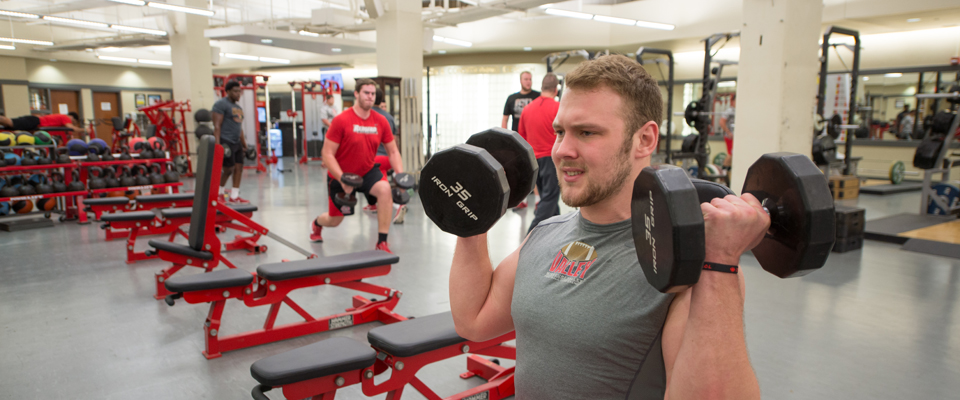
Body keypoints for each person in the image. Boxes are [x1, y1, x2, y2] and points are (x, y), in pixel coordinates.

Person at [449, 55, 765, 399]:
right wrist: (473, 213)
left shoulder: (689, 264)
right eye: (560, 132)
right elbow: (474, 320)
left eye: (586, 133)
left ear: (644, 140)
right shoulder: (545, 233)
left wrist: (719, 258)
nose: (561, 150)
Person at [310, 79, 404, 252]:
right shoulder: (341, 120)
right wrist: (341, 178)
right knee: (335, 220)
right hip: (342, 174)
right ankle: (317, 224)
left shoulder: (380, 121)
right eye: (366, 93)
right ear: (356, 94)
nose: (370, 97)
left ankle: (382, 242)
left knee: (385, 190)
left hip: (367, 171)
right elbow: (327, 153)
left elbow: (393, 152)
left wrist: (401, 176)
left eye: (372, 94)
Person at [517, 73, 561, 232]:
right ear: (556, 90)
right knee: (549, 199)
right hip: (551, 160)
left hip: (533, 161)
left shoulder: (527, 109)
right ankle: (531, 236)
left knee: (549, 199)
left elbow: (521, 137)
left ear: (542, 88)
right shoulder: (558, 108)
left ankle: (556, 233)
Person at [503, 71, 541, 208]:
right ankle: (523, 200)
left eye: (530, 79)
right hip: (516, 140)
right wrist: (504, 136)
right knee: (519, 169)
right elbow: (505, 118)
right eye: (526, 79)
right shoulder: (512, 98)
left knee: (533, 167)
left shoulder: (538, 96)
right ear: (520, 81)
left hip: (532, 139)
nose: (528, 81)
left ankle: (537, 198)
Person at [212, 80, 250, 204]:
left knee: (239, 168)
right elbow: (217, 126)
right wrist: (218, 146)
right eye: (235, 91)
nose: (238, 94)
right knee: (228, 169)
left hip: (236, 142)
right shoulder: (221, 105)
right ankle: (219, 193)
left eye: (239, 91)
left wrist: (244, 145)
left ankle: (234, 196)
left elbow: (239, 128)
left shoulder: (238, 108)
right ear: (227, 92)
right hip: (225, 140)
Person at [0, 112, 85, 136]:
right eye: (73, 122)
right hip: (34, 121)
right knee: (9, 122)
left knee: (8, 126)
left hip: (34, 124)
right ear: (72, 117)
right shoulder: (66, 117)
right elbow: (71, 128)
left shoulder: (60, 119)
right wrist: (85, 130)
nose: (72, 124)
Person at [719, 94, 736, 167]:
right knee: (730, 154)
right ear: (732, 101)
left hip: (735, 136)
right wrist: (728, 132)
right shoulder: (729, 111)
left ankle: (727, 172)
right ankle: (724, 171)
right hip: (730, 137)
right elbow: (722, 122)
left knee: (733, 155)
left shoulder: (738, 111)